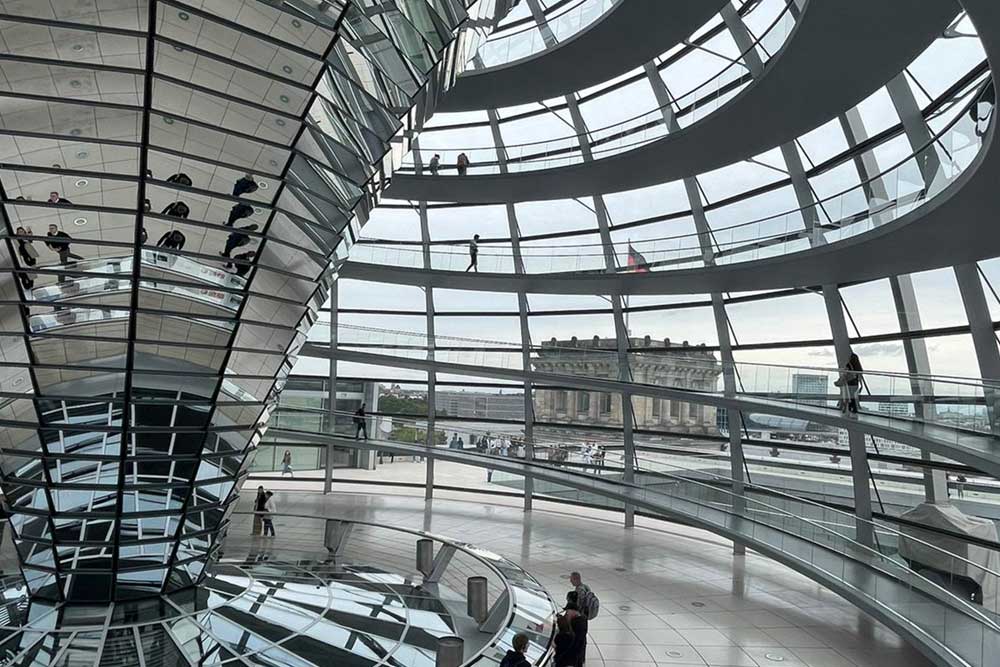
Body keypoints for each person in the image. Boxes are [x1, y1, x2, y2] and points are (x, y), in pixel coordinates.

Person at [563, 592, 589, 667]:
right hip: (580, 647)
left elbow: (573, 636)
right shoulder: (582, 615)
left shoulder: (577, 621)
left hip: (575, 650)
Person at [835, 349, 864, 414]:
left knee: (848, 396)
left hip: (850, 383)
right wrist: (861, 386)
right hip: (856, 384)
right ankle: (852, 409)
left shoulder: (849, 364)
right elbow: (860, 377)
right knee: (851, 396)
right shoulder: (858, 367)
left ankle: (849, 409)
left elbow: (845, 373)